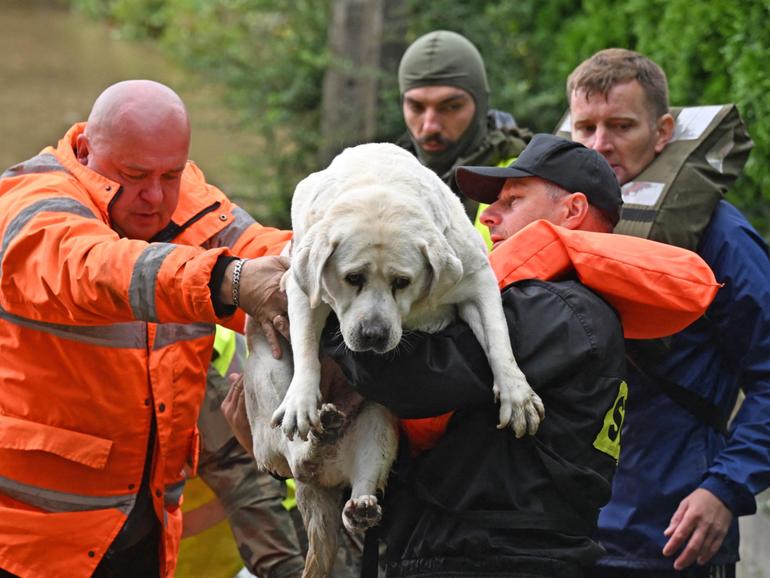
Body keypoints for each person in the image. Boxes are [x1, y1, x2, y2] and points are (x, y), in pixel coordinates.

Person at [315, 134, 716, 578]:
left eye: (512, 199)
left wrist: (338, 305)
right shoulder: (561, 308)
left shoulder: (560, 311)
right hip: (468, 553)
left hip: (495, 560)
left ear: (572, 211)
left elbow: (415, 381)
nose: (488, 216)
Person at [0, 79, 295, 578]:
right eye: (134, 175)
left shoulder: (188, 200)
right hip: (29, 546)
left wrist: (337, 265)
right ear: (88, 151)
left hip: (143, 531)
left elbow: (266, 251)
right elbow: (96, 270)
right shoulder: (33, 201)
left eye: (171, 174)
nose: (154, 197)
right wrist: (227, 279)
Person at [566, 48, 770, 577]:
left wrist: (725, 487)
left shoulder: (722, 237)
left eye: (620, 126)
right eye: (585, 127)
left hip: (671, 539)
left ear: (662, 132)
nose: (598, 145)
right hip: (565, 538)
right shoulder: (557, 234)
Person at [396, 30, 531, 234]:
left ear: (480, 105)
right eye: (416, 107)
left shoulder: (524, 180)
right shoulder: (382, 181)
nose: (430, 125)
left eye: (450, 107)